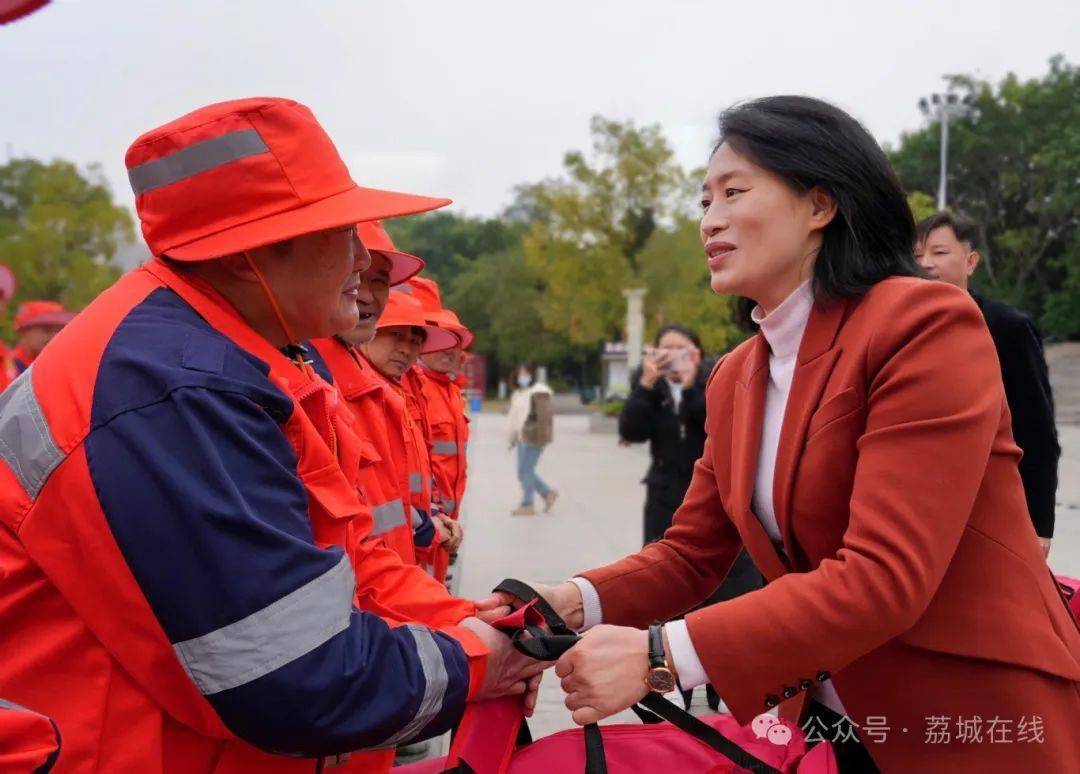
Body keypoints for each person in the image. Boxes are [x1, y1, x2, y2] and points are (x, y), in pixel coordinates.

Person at [485, 96, 1080, 772]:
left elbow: (886, 576)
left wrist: (661, 659)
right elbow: (689, 556)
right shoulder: (739, 375)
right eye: (703, 201)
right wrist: (565, 604)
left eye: (734, 193)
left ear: (820, 205)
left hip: (967, 719)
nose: (710, 220)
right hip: (831, 721)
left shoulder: (923, 324)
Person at [0, 97, 541, 772]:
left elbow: (345, 560)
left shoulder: (251, 361)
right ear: (245, 254)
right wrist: (475, 664)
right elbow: (297, 679)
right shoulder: (174, 385)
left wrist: (466, 620)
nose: (361, 256)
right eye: (340, 230)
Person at [619, 323, 763, 711]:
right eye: (663, 351)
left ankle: (721, 685)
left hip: (719, 498)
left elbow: (718, 424)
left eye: (681, 350)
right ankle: (672, 685)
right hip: (666, 499)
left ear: (697, 354)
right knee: (668, 586)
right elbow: (630, 429)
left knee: (728, 586)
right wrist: (648, 386)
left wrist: (691, 383)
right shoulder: (652, 387)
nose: (671, 358)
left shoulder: (717, 380)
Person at [915, 212, 1060, 557]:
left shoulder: (1007, 327)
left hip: (994, 506)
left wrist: (1039, 525)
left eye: (939, 253)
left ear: (971, 261)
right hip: (926, 506)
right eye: (917, 255)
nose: (925, 264)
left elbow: (1036, 430)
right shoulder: (904, 329)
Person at [356, 288, 463, 574]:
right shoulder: (355, 394)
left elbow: (421, 470)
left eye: (416, 340)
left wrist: (437, 513)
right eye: (396, 335)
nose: (406, 348)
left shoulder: (400, 391)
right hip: (381, 564)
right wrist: (426, 526)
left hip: (414, 549)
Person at [506, 364, 556, 516]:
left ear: (532, 375)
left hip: (534, 437)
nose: (523, 377)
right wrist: (512, 438)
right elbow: (514, 419)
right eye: (520, 374)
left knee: (526, 470)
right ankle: (547, 493)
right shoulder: (518, 394)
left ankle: (528, 504)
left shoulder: (539, 392)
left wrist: (540, 438)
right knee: (523, 472)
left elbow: (544, 417)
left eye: (526, 374)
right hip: (522, 437)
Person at [10, 300, 74, 374]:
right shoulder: (7, 367)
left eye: (58, 330)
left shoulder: (59, 368)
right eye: (47, 330)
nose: (53, 336)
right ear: (24, 331)